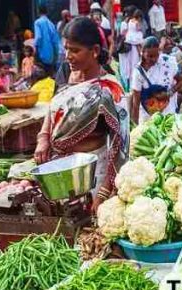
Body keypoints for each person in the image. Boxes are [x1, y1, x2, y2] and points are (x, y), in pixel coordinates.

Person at [35, 17, 125, 211]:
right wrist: (43, 138)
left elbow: (122, 142)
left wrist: (104, 192)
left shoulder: (109, 88)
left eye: (75, 50)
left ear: (94, 51)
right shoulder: (66, 72)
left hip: (92, 173)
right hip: (58, 169)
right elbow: (53, 107)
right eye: (66, 49)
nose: (68, 55)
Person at [130, 35, 180, 124]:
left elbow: (181, 81)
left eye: (156, 55)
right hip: (148, 118)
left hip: (168, 115)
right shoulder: (138, 72)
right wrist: (135, 127)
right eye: (150, 56)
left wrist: (169, 93)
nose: (154, 59)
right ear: (142, 52)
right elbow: (136, 103)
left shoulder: (167, 63)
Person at [119, 8, 144, 90]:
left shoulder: (130, 21)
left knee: (128, 66)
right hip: (134, 47)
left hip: (129, 45)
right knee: (135, 65)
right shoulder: (137, 23)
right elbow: (139, 31)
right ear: (139, 17)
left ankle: (129, 85)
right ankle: (134, 85)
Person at [35, 5, 61, 76]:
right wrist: (56, 55)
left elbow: (38, 37)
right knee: (50, 76)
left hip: (41, 54)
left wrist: (35, 48)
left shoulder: (38, 22)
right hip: (51, 55)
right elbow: (55, 41)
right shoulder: (51, 23)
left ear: (38, 11)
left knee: (41, 75)